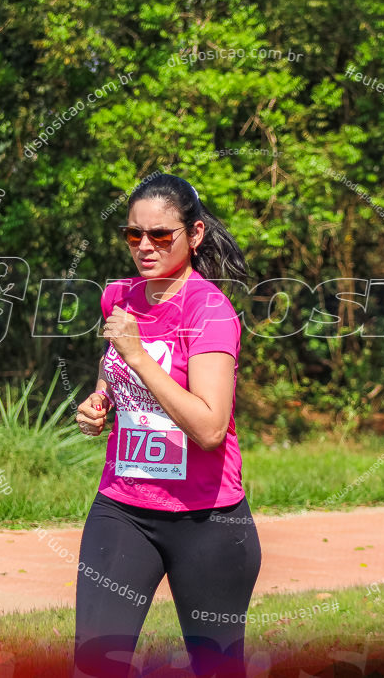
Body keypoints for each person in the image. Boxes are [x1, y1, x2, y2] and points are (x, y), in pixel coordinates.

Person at [73, 174, 261, 677]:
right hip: (123, 507)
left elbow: (209, 428)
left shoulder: (210, 311)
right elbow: (113, 361)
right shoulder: (119, 296)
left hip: (206, 522)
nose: (145, 246)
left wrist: (139, 358)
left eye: (161, 235)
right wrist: (100, 402)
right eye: (134, 234)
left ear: (194, 235)